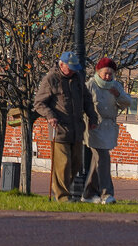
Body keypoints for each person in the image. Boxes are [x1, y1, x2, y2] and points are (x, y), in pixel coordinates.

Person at [34, 51, 98, 201]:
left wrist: (92, 117)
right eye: (71, 67)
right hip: (59, 128)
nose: (74, 70)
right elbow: (39, 103)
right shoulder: (51, 79)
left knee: (76, 163)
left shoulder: (78, 78)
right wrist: (50, 115)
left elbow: (87, 100)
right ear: (61, 65)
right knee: (63, 164)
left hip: (77, 129)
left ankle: (63, 190)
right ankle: (63, 196)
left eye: (75, 67)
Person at [82, 56, 132, 204]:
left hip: (109, 128)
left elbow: (127, 102)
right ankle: (106, 194)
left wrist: (118, 95)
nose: (108, 76)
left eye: (111, 74)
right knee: (103, 159)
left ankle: (88, 194)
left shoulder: (115, 86)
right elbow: (83, 104)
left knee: (97, 162)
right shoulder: (91, 85)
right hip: (94, 127)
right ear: (98, 72)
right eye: (105, 73)